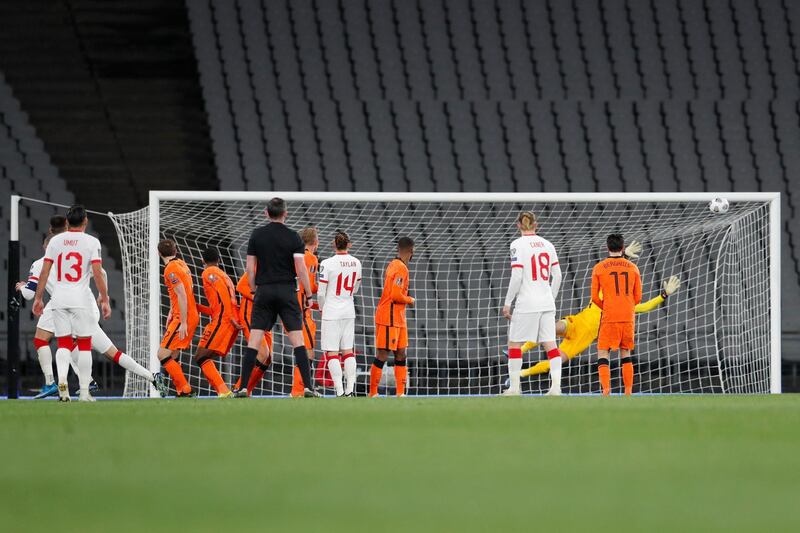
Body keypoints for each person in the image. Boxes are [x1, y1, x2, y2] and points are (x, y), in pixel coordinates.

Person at [18, 234, 167, 398]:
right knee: (113, 353)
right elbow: (101, 272)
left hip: (64, 306)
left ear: (46, 247)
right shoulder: (76, 257)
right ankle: (152, 377)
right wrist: (104, 297)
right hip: (86, 307)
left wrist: (21, 287)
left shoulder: (40, 264)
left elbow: (28, 294)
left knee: (48, 341)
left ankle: (57, 384)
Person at [235, 197, 319, 398]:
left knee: (254, 340)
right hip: (287, 290)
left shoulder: (257, 235)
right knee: (298, 340)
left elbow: (249, 268)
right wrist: (308, 294)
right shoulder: (293, 237)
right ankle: (307, 387)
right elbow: (300, 269)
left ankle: (243, 387)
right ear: (285, 213)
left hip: (264, 290)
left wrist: (255, 290)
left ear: (266, 213)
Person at [32, 205, 111, 402]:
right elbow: (98, 274)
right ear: (85, 221)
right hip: (80, 299)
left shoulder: (55, 241)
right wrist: (105, 299)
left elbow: (45, 271)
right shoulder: (92, 242)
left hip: (59, 298)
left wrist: (38, 298)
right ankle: (84, 392)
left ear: (67, 222)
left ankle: (62, 384)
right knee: (84, 345)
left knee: (63, 344)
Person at [502, 211, 563, 396]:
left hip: (527, 303)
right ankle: (556, 388)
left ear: (518, 225)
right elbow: (558, 275)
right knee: (551, 344)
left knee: (514, 344)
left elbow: (518, 275)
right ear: (536, 224)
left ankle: (514, 388)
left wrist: (507, 303)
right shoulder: (548, 244)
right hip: (546, 302)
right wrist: (550, 298)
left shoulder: (517, 245)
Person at [591, 234, 642, 396]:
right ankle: (628, 392)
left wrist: (606, 306)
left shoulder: (599, 268)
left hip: (610, 315)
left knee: (603, 351)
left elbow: (594, 298)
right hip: (627, 315)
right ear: (623, 247)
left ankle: (606, 390)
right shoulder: (633, 268)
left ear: (607, 247)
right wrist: (627, 306)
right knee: (625, 351)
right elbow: (638, 297)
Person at [193, 248, 242, 398]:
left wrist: (230, 317)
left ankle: (225, 391)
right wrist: (198, 307)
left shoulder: (209, 272)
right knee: (203, 356)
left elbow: (223, 295)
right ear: (219, 260)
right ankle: (228, 389)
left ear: (203, 261)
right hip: (227, 319)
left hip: (224, 321)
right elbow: (218, 305)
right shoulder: (225, 275)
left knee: (201, 356)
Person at [318, 231, 362, 396]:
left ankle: (339, 391)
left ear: (333, 244)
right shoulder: (356, 263)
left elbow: (321, 293)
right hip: (348, 311)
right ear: (348, 244)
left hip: (331, 312)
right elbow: (355, 288)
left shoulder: (326, 263)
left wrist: (323, 307)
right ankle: (350, 390)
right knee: (348, 351)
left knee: (332, 352)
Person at [370, 236, 415, 398]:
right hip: (389, 317)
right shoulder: (400, 268)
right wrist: (410, 299)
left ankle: (400, 393)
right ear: (411, 251)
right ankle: (373, 393)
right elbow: (396, 295)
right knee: (383, 354)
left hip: (398, 318)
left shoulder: (395, 265)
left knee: (401, 353)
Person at [155, 239, 200, 397]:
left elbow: (181, 294)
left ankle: (186, 389)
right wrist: (171, 313)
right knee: (172, 354)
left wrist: (183, 322)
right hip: (187, 313)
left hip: (183, 316)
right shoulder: (182, 263)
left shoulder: (170, 269)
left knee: (162, 354)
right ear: (176, 251)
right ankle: (181, 390)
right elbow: (183, 292)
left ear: (159, 253)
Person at [290, 226, 320, 396]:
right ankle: (298, 390)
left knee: (304, 348)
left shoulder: (294, 256)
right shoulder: (310, 259)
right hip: (301, 311)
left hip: (292, 308)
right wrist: (324, 284)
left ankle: (300, 389)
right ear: (315, 241)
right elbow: (310, 285)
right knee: (307, 351)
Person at [233, 271, 273, 396]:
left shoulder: (277, 270)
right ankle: (239, 388)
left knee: (268, 359)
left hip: (265, 317)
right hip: (251, 315)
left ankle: (247, 390)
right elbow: (240, 286)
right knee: (262, 354)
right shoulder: (257, 267)